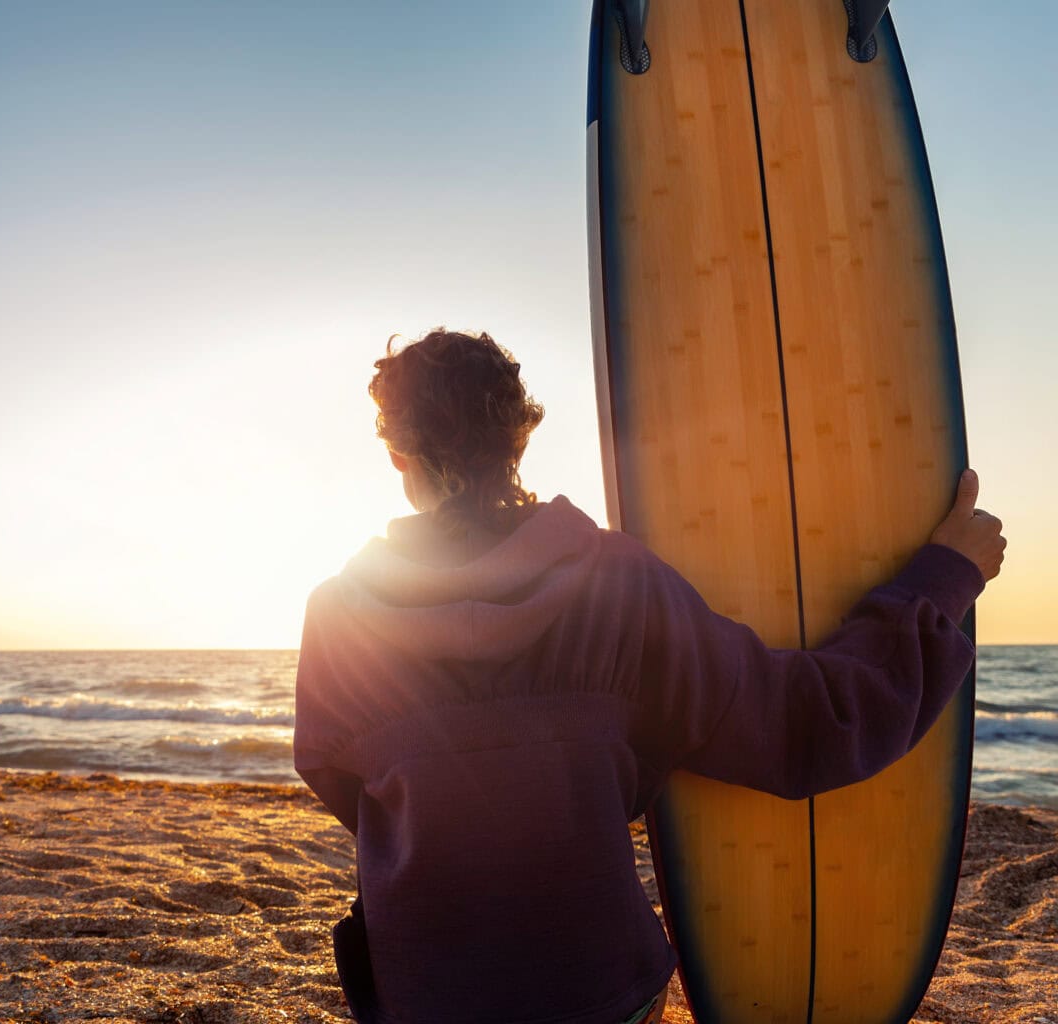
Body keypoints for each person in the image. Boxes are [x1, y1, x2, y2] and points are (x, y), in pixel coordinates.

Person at [292, 329, 1006, 1024]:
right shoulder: (617, 583)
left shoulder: (338, 619)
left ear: (395, 452)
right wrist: (945, 577)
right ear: (519, 440)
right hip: (597, 989)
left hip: (424, 995)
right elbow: (807, 725)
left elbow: (351, 791)